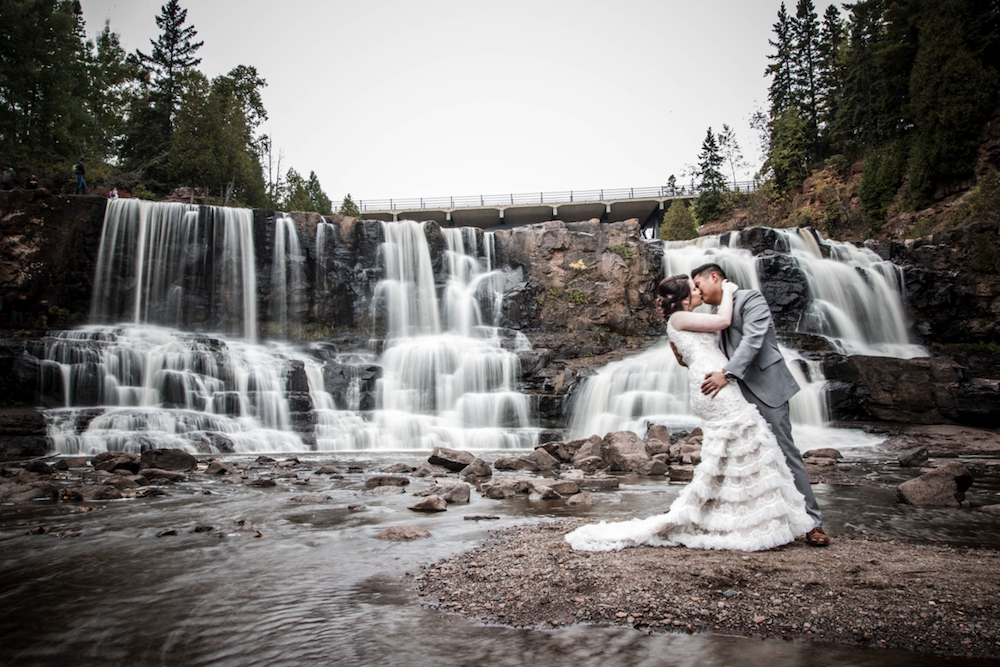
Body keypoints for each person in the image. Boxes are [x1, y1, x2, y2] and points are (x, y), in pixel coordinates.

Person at [565, 275, 815, 553]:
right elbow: (722, 322)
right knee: (748, 440)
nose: (698, 291)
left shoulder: (689, 318)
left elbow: (701, 346)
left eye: (699, 285)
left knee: (742, 447)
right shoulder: (680, 319)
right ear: (685, 299)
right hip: (715, 385)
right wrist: (729, 291)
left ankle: (746, 515)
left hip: (722, 382)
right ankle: (747, 518)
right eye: (694, 289)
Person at [692, 262, 830, 547]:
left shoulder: (750, 298)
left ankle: (813, 523)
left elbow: (753, 340)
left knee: (785, 453)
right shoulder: (719, 313)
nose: (697, 291)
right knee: (745, 460)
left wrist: (726, 374)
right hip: (735, 397)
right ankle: (762, 523)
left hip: (766, 389)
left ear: (714, 277)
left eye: (698, 284)